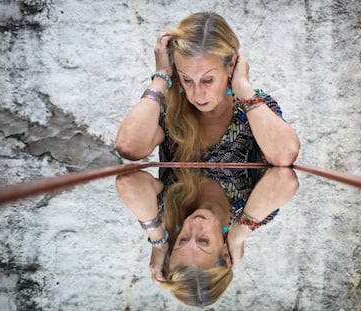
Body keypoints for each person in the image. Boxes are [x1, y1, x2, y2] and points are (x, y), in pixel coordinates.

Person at [115, 11, 300, 306]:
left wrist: (158, 240)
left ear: (231, 66)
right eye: (187, 79)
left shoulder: (251, 106)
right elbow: (128, 147)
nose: (196, 93)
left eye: (208, 79)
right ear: (223, 252)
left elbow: (284, 157)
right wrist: (162, 77)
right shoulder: (172, 105)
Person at [116, 166, 299, 307]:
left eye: (183, 240)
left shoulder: (172, 210)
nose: (194, 225)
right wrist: (239, 234)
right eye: (204, 241)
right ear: (226, 255)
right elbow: (285, 180)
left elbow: (127, 181)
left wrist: (158, 242)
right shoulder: (251, 212)